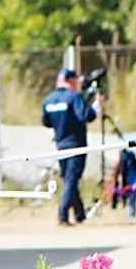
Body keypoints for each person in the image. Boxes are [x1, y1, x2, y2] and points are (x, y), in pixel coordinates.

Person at [41, 68, 103, 226]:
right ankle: (62, 215)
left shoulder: (49, 99)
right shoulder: (74, 97)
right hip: (77, 144)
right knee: (71, 180)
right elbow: (86, 116)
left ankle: (79, 214)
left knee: (69, 179)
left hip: (61, 144)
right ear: (71, 80)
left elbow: (46, 121)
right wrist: (96, 106)